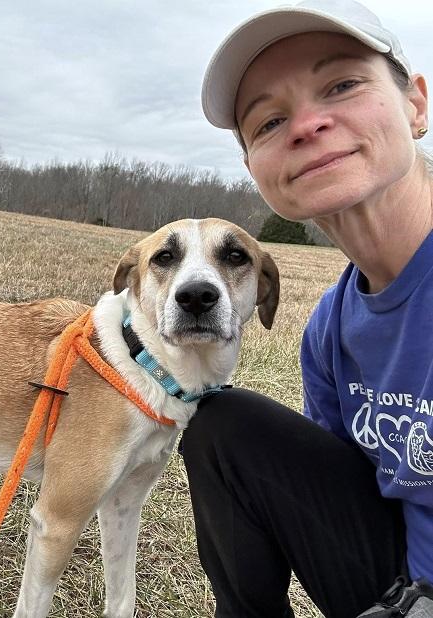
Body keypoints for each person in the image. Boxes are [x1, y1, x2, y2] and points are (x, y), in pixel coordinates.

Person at [181, 1, 433, 616]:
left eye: (342, 84)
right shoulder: (329, 331)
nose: (305, 125)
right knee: (223, 426)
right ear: (254, 169)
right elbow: (343, 495)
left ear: (416, 103)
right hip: (398, 588)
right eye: (267, 122)